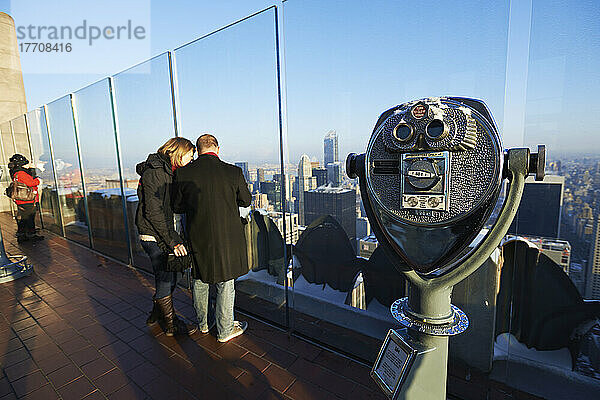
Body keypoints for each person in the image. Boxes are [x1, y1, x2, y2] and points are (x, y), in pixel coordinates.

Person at [173, 134, 252, 342]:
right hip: (228, 237)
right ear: (217, 148)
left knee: (200, 278)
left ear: (198, 151)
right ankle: (225, 330)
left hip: (197, 236)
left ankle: (204, 324)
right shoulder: (233, 172)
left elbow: (177, 206)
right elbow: (246, 199)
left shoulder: (184, 174)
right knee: (226, 282)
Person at [135, 137, 197, 337]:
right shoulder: (155, 172)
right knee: (165, 276)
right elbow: (154, 212)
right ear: (178, 153)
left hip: (167, 232)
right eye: (189, 155)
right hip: (153, 233)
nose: (191, 160)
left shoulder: (169, 171)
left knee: (174, 273)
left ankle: (157, 312)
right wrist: (171, 241)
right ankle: (170, 324)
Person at [8, 154, 44, 243]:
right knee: (29, 217)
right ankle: (30, 235)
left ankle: (22, 235)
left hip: (21, 199)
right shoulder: (21, 173)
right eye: (27, 163)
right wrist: (38, 180)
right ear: (22, 164)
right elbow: (31, 182)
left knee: (24, 217)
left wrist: (31, 169)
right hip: (26, 199)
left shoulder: (17, 172)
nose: (29, 164)